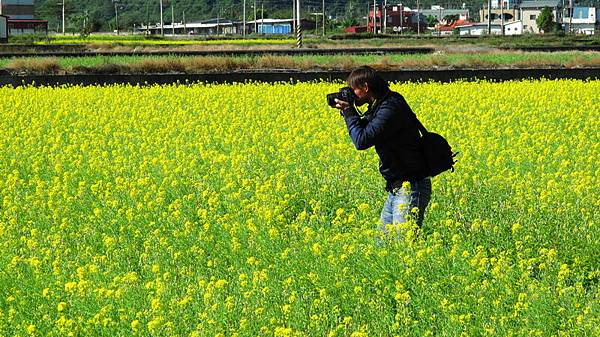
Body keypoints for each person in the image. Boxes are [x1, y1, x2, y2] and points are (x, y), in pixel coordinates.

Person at [334, 66, 431, 240]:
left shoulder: (390, 107)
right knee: (383, 245)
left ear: (365, 87)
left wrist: (349, 111)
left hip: (410, 186)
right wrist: (348, 111)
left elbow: (361, 140)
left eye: (353, 89)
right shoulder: (381, 105)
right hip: (397, 187)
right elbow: (367, 130)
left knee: (405, 246)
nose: (352, 94)